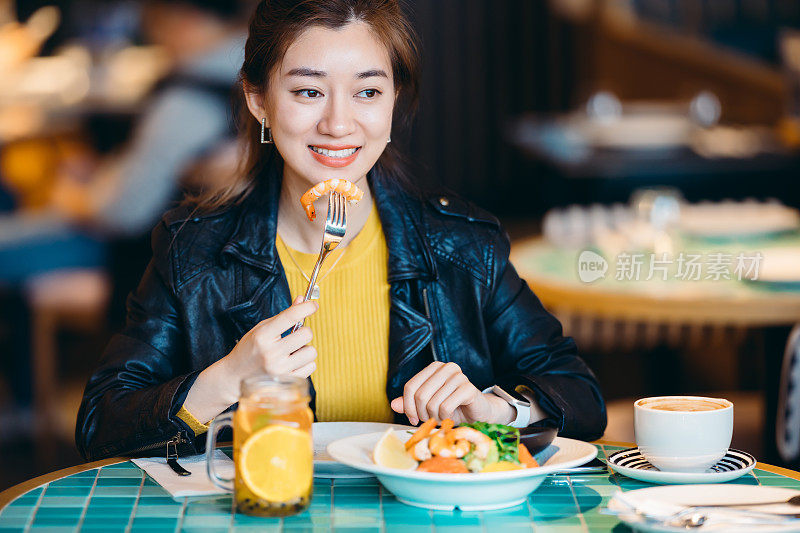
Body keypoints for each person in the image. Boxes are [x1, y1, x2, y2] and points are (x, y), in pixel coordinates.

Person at [76, 0, 606, 460]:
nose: (338, 123)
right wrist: (227, 378)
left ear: (394, 99)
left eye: (367, 92)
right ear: (259, 100)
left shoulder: (462, 246)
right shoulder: (195, 249)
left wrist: (494, 410)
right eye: (308, 92)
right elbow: (101, 424)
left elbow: (578, 394)